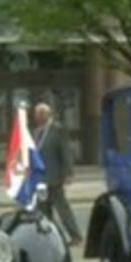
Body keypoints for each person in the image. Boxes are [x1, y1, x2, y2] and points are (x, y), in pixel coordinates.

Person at [34, 102, 83, 246]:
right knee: (43, 209)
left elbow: (65, 152)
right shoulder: (36, 132)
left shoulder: (57, 130)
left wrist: (69, 173)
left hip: (54, 177)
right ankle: (50, 236)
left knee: (62, 208)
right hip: (40, 179)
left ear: (45, 114)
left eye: (38, 114)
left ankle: (76, 236)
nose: (35, 116)